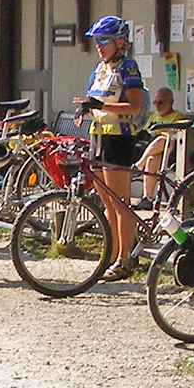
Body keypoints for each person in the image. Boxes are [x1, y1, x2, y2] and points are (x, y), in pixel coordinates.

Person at [72, 15, 146, 281]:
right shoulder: (100, 69)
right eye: (96, 41)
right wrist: (85, 109)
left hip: (119, 138)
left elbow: (134, 106)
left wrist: (102, 106)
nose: (99, 46)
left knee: (120, 202)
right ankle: (113, 255)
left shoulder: (128, 68)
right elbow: (95, 100)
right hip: (98, 136)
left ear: (120, 42)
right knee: (106, 203)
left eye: (104, 41)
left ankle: (125, 259)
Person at [135, 82, 194, 208]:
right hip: (181, 151)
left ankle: (139, 165)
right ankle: (147, 198)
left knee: (163, 139)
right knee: (152, 159)